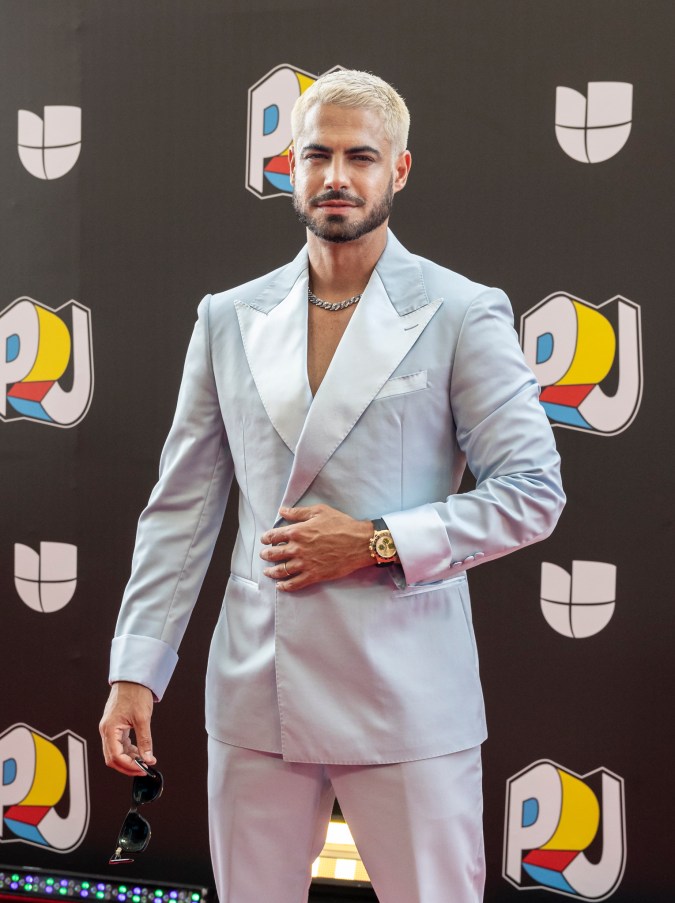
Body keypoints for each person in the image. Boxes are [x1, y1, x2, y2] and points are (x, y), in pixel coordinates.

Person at [100, 69, 565, 903]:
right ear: (289, 166)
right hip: (254, 688)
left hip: (407, 691)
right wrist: (137, 670)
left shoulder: (460, 311)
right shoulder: (228, 316)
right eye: (317, 154)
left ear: (400, 170)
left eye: (360, 156)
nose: (337, 177)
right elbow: (182, 510)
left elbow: (532, 491)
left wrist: (376, 539)